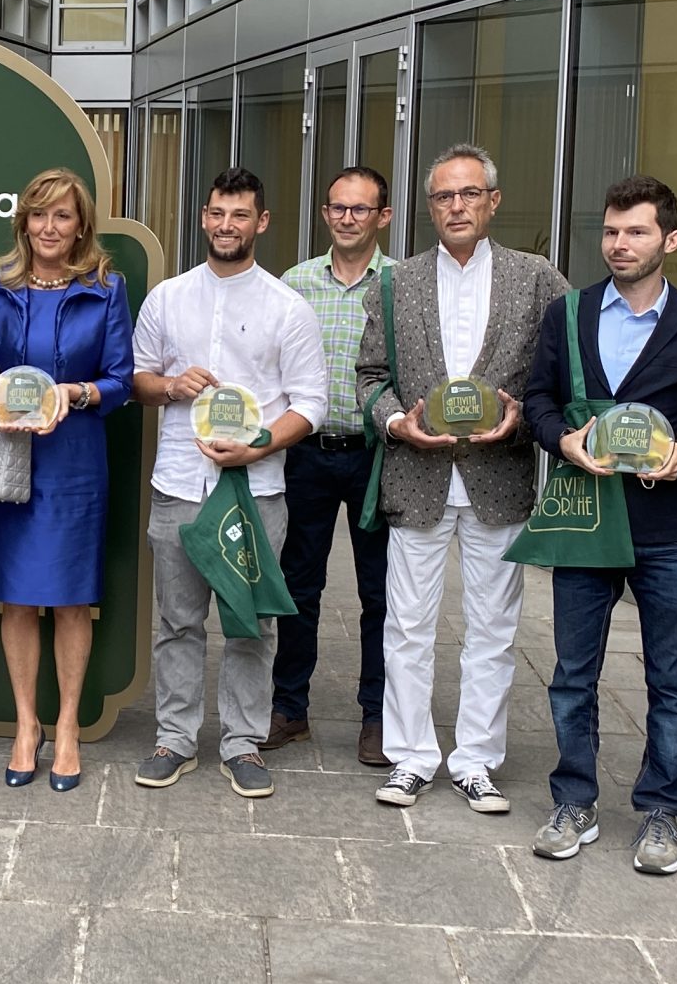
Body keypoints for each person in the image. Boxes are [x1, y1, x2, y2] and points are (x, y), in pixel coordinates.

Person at [360, 143, 570, 814]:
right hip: (415, 477)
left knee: (493, 630)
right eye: (445, 196)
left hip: (498, 479)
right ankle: (410, 758)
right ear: (429, 207)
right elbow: (370, 378)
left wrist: (524, 415)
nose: (457, 206)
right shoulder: (396, 282)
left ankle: (476, 760)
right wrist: (397, 424)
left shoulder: (536, 278)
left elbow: (565, 369)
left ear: (493, 201)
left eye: (470, 193)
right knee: (407, 627)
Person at [524, 177, 677, 875]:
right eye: (611, 231)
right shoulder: (568, 314)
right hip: (586, 520)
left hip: (668, 528)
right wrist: (562, 440)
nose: (619, 244)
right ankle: (574, 801)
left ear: (671, 239)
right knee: (572, 675)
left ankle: (661, 811)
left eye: (636, 232)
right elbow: (539, 396)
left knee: (672, 681)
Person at [129, 168, 328, 798]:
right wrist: (170, 386)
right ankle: (175, 738)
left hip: (255, 490)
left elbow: (311, 403)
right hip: (179, 485)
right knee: (177, 621)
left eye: (239, 215)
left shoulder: (287, 308)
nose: (225, 225)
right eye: (217, 213)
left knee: (251, 623)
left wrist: (258, 445)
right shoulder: (167, 298)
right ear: (203, 217)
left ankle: (243, 743)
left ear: (261, 222)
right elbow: (138, 379)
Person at [0, 169, 134, 788]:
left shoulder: (106, 289)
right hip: (11, 460)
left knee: (69, 599)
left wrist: (75, 392)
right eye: (39, 215)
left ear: (81, 225)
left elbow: (121, 380)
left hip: (75, 464)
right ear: (24, 222)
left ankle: (66, 727)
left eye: (62, 216)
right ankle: (25, 725)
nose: (49, 227)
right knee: (15, 599)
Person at [269, 164, 395, 767]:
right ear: (325, 214)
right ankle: (289, 708)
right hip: (307, 455)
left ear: (383, 217)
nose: (347, 218)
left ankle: (378, 716)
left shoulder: (402, 284)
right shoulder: (294, 284)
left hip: (379, 455)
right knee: (298, 586)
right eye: (338, 208)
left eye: (360, 209)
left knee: (381, 590)